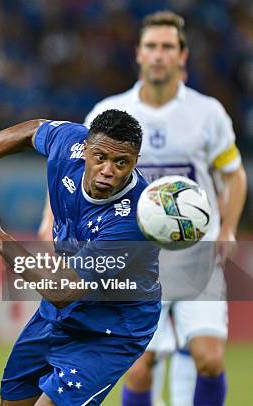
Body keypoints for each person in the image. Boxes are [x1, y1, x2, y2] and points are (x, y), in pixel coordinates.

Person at [0, 109, 162, 406]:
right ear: (85, 149)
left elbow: (62, 290)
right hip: (57, 315)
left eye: (121, 163)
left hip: (110, 331)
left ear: (134, 163)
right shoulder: (68, 143)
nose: (108, 170)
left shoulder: (132, 221)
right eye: (100, 157)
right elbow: (30, 130)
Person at [81, 11, 247, 406]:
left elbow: (234, 175)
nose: (158, 55)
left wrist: (227, 229)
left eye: (167, 47)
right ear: (138, 54)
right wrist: (52, 219)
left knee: (209, 358)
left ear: (182, 55)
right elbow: (82, 175)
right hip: (134, 256)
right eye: (151, 46)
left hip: (196, 254)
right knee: (139, 365)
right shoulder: (110, 114)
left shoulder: (207, 114)